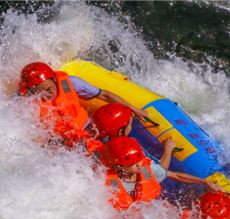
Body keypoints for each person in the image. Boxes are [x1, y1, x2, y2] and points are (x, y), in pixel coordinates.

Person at [18, 62, 149, 151]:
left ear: (54, 79)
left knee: (120, 117)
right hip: (64, 144)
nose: (47, 95)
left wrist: (134, 109)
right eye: (39, 93)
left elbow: (104, 95)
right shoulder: (28, 104)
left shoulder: (71, 83)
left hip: (89, 129)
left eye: (48, 89)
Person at [91, 102, 216, 190]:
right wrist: (168, 149)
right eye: (129, 122)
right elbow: (164, 171)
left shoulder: (97, 148)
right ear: (121, 132)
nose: (131, 123)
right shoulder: (139, 166)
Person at [100, 136, 162, 210]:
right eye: (133, 163)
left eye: (139, 160)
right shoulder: (113, 182)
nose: (139, 165)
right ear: (119, 166)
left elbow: (162, 172)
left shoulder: (144, 170)